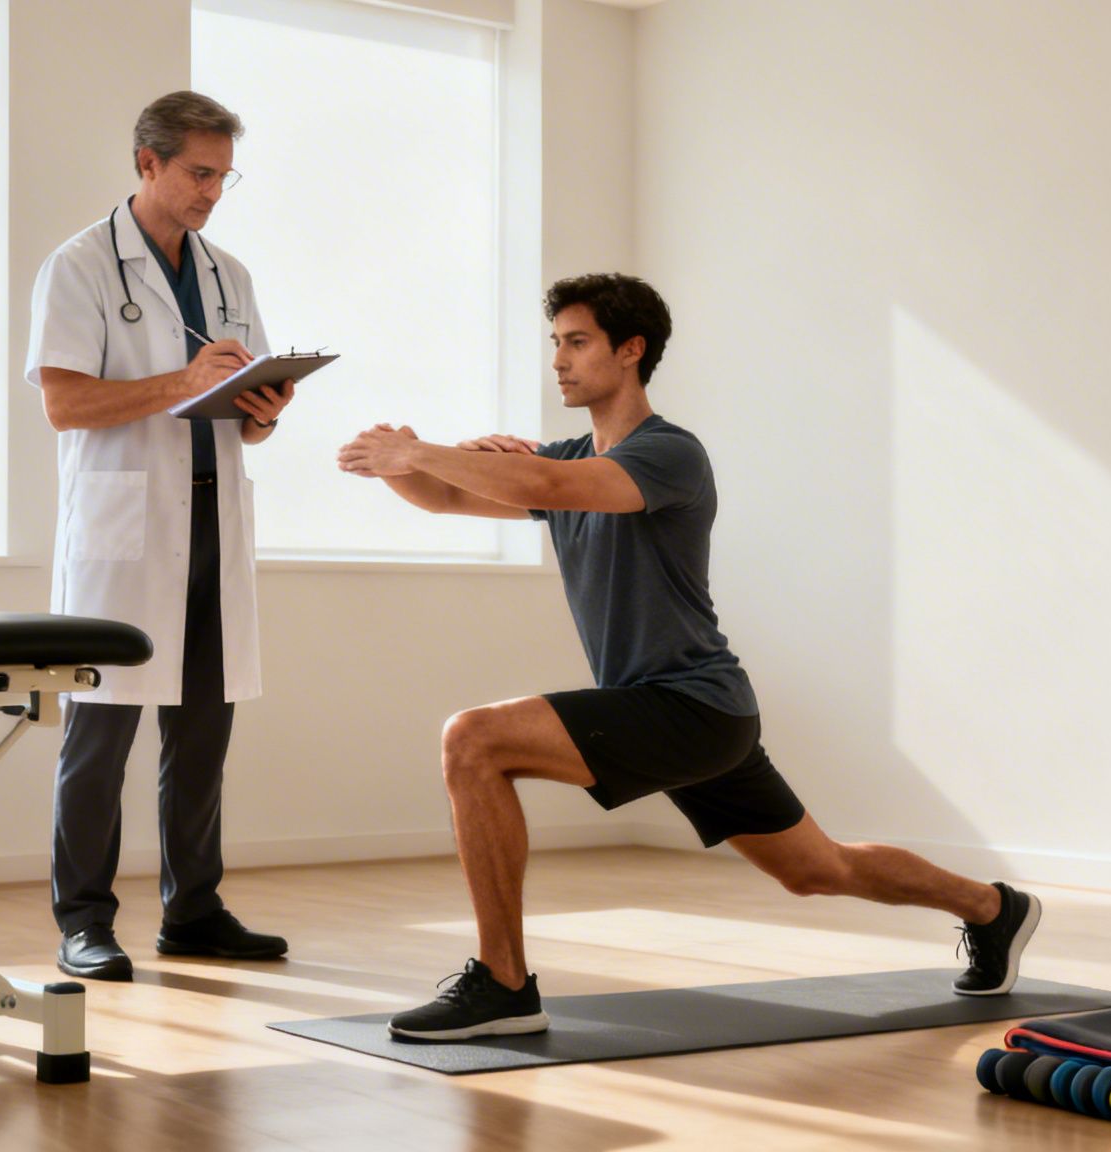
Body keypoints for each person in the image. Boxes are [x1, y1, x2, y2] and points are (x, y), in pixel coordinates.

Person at [337, 273, 1040, 1040]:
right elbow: (450, 501)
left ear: (631, 351)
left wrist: (425, 450)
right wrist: (403, 466)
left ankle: (503, 984)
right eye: (556, 344)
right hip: (693, 713)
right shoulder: (571, 455)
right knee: (817, 869)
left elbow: (544, 481)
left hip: (690, 705)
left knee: (472, 739)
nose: (560, 361)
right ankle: (993, 908)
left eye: (578, 343)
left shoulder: (669, 453)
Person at [25, 90, 294, 981]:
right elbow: (66, 403)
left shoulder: (230, 275)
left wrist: (263, 408)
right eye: (198, 172)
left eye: (223, 174)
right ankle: (84, 918)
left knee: (203, 726)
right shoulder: (80, 266)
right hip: (126, 528)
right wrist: (182, 383)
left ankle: (195, 909)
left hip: (213, 516)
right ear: (147, 163)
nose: (214, 191)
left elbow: (238, 417)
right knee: (99, 731)